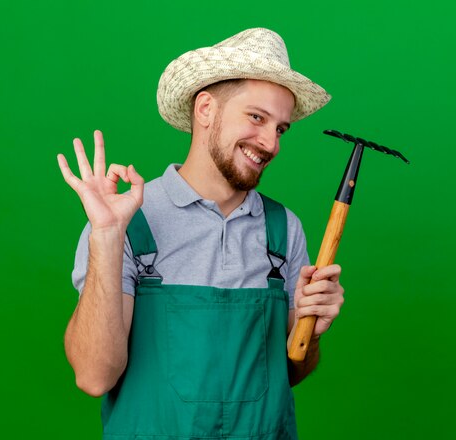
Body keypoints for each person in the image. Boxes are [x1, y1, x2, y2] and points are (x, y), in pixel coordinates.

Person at [58, 28, 345, 439]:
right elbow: (93, 376)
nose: (270, 143)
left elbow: (291, 372)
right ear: (206, 108)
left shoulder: (284, 231)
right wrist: (106, 235)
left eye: (280, 129)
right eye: (257, 117)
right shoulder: (128, 222)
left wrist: (310, 332)